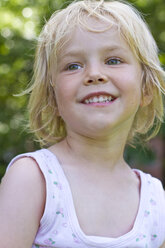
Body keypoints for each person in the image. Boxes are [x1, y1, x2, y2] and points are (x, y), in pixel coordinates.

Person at [0, 0, 165, 247]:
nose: (94, 74)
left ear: (146, 88)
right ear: (52, 99)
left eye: (113, 60)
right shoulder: (34, 179)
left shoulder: (155, 200)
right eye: (73, 66)